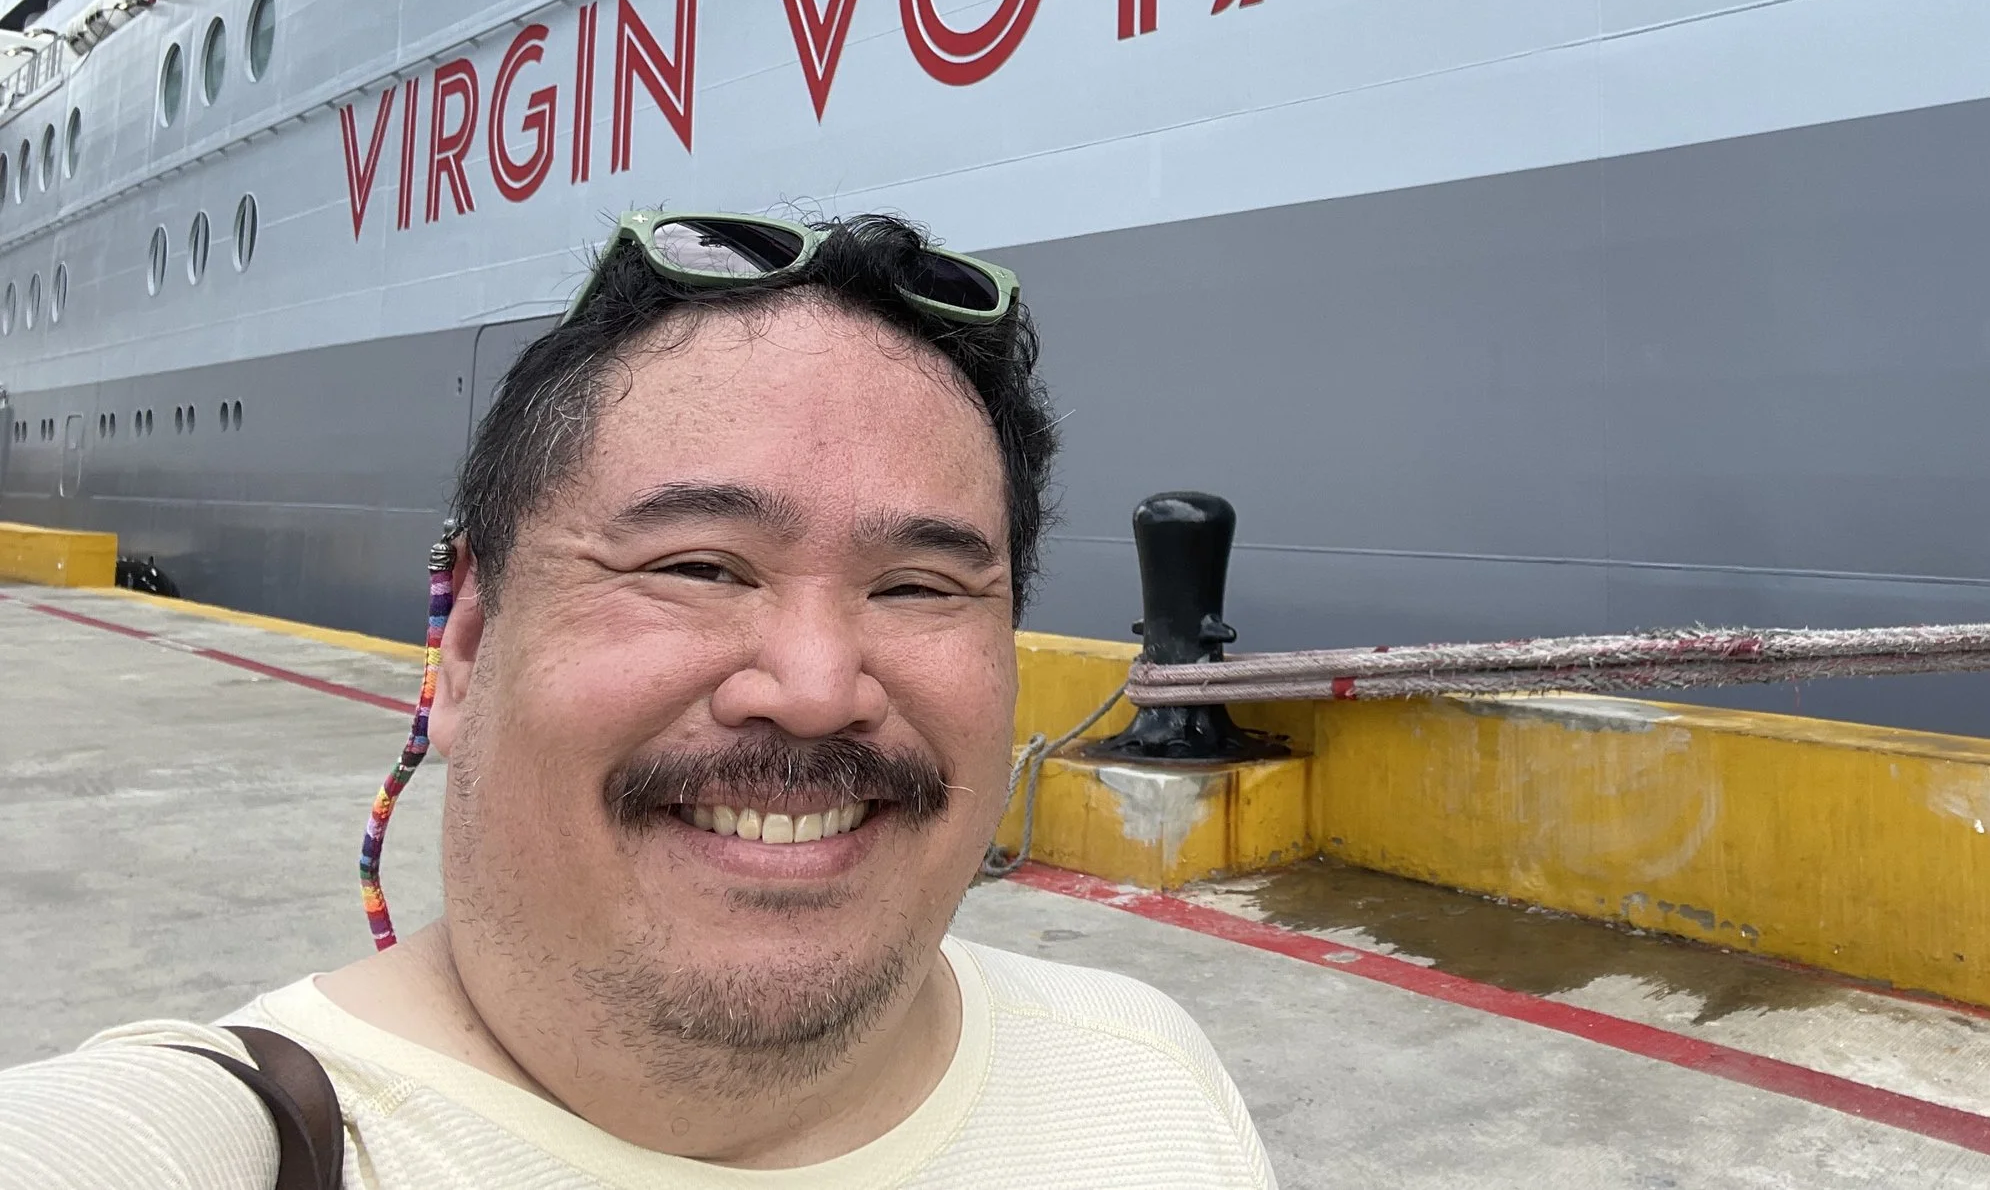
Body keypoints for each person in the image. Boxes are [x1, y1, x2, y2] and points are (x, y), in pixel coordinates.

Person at [0, 212, 1276, 1189]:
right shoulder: (212, 1137)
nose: (818, 688)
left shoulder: (1149, 1072)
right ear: (466, 649)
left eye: (919, 585)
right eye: (698, 567)